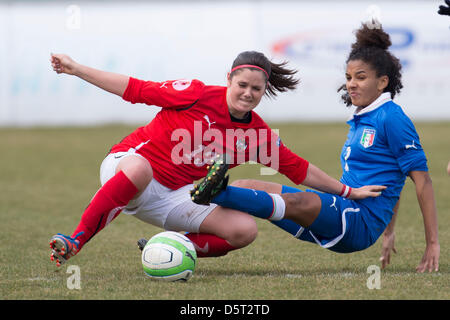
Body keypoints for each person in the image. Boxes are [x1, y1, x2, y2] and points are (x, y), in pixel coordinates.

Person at [48, 50, 384, 267]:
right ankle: (75, 238)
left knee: (243, 230)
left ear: (263, 91)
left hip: (174, 196)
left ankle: (165, 247)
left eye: (256, 89)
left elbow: (299, 170)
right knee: (138, 168)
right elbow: (134, 89)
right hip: (128, 168)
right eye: (242, 84)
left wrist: (346, 191)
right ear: (229, 80)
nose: (247, 93)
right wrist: (77, 69)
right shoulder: (194, 94)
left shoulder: (257, 134)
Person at [191, 23, 440, 273]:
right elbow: (391, 178)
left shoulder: (392, 118)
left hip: (358, 223)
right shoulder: (362, 118)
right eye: (349, 77)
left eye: (360, 78)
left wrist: (432, 244)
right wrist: (389, 233)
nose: (351, 84)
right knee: (246, 186)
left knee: (299, 200)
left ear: (382, 82)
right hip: (342, 207)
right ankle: (180, 243)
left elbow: (423, 181)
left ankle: (212, 192)